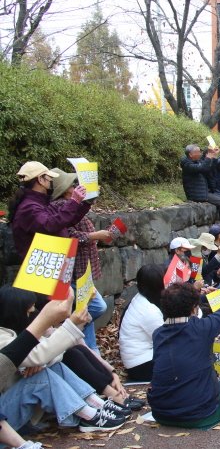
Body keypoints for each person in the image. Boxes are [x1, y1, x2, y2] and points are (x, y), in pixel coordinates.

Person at [0, 287, 127, 433]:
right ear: (15, 313)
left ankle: (96, 404)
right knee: (43, 376)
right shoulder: (3, 337)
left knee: (58, 364)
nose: (34, 315)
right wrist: (69, 325)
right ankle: (88, 415)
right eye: (30, 312)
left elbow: (55, 353)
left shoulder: (18, 330)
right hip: (6, 416)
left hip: (20, 405)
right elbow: (40, 354)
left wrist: (43, 361)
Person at [147, 282, 220, 428]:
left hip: (160, 414)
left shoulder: (157, 334)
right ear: (193, 308)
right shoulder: (202, 329)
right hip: (199, 414)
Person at [49, 168, 109, 354]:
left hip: (83, 269)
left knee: (87, 311)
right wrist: (93, 235)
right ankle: (86, 347)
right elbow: (68, 235)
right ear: (65, 189)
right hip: (74, 270)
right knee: (93, 308)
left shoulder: (72, 205)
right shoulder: (61, 207)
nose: (76, 186)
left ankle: (89, 350)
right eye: (72, 184)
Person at [9, 161, 91, 259]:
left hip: (50, 264)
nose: (51, 181)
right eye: (49, 178)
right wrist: (74, 201)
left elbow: (65, 221)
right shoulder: (29, 208)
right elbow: (50, 225)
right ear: (40, 180)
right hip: (38, 268)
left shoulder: (40, 202)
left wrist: (86, 203)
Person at [119, 264, 165, 382]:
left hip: (137, 358)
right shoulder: (149, 311)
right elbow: (167, 340)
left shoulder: (141, 297)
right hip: (141, 364)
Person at [181, 144, 220, 230]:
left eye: (200, 151)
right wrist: (209, 155)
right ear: (190, 154)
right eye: (198, 152)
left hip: (204, 191)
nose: (200, 153)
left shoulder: (197, 161)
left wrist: (214, 155)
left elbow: (211, 168)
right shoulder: (187, 164)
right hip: (197, 194)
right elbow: (203, 168)